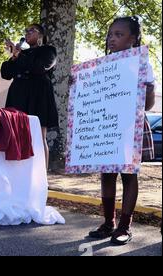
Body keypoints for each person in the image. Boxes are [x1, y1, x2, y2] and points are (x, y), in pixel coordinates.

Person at [88, 16, 156, 246]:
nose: (112, 39)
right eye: (110, 34)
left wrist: (144, 87)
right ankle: (108, 223)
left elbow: (148, 104)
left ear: (133, 39)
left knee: (128, 175)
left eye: (119, 34)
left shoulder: (142, 64)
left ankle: (124, 226)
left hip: (130, 124)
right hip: (108, 124)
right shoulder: (102, 65)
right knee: (107, 173)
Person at [1, 24, 59, 170]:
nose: (27, 33)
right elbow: (6, 73)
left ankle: (42, 177)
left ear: (40, 35)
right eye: (25, 31)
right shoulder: (22, 53)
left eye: (31, 30)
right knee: (17, 136)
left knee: (39, 136)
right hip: (18, 95)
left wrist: (20, 55)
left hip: (38, 96)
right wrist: (14, 56)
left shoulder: (48, 51)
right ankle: (21, 174)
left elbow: (40, 67)